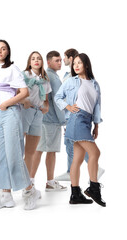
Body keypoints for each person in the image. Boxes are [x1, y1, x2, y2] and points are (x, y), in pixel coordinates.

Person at [0, 40, 41, 210]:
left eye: (3, 48)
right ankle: (6, 195)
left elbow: (24, 92)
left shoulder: (13, 69)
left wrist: (6, 104)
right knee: (0, 156)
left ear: (8, 51)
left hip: (10, 113)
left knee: (14, 154)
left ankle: (30, 191)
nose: (0, 51)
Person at [55, 53, 106, 207]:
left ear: (86, 65)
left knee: (77, 159)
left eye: (79, 63)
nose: (76, 66)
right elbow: (58, 97)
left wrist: (96, 125)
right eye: (74, 63)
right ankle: (94, 188)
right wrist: (68, 107)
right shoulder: (71, 81)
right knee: (95, 153)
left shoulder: (95, 84)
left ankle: (75, 194)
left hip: (87, 121)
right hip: (76, 119)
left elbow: (97, 106)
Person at [30, 51, 67, 191]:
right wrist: (64, 121)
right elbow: (58, 101)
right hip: (52, 121)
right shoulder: (52, 77)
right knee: (50, 151)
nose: (60, 63)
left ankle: (32, 181)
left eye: (60, 60)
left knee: (39, 150)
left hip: (43, 119)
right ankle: (49, 182)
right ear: (49, 62)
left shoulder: (47, 76)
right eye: (56, 60)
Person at [20, 51, 51, 185]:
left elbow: (47, 97)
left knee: (31, 152)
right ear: (29, 62)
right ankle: (10, 180)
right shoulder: (24, 75)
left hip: (38, 114)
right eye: (33, 58)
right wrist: (24, 101)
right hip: (25, 111)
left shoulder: (45, 78)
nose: (36, 60)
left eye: (38, 58)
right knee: (17, 149)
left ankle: (27, 182)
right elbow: (15, 92)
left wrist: (47, 106)